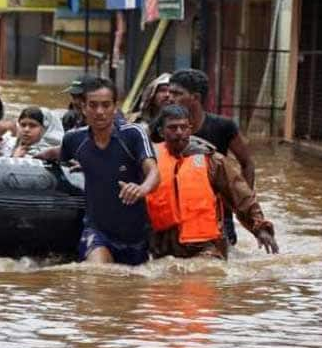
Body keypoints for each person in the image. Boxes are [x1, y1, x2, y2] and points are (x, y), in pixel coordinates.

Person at [38, 77, 159, 266]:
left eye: (106, 105)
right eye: (93, 105)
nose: (99, 112)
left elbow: (154, 172)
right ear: (83, 107)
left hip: (136, 235)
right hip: (98, 232)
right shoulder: (74, 139)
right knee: (98, 276)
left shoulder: (133, 134)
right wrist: (25, 158)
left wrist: (142, 189)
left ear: (114, 107)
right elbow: (56, 153)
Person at [147, 105, 277, 260]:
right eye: (173, 128)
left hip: (205, 246)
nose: (179, 132)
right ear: (161, 131)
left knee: (205, 276)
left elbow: (241, 195)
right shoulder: (149, 160)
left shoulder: (212, 161)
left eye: (183, 127)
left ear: (190, 129)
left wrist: (260, 228)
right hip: (161, 247)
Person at [166, 69, 256, 245]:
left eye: (177, 93)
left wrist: (242, 204)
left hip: (219, 213)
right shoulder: (163, 129)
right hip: (178, 212)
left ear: (196, 97)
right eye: (169, 92)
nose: (170, 97)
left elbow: (247, 163)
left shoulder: (223, 127)